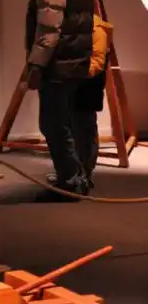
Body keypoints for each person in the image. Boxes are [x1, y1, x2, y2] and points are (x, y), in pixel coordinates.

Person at [24, 0, 95, 196]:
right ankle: (80, 175)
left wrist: (36, 65)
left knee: (54, 123)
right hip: (78, 61)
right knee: (75, 122)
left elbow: (49, 28)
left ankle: (70, 179)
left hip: (59, 64)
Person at [47, 14, 112, 191]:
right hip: (70, 83)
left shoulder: (97, 30)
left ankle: (84, 175)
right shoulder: (67, 25)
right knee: (68, 130)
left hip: (86, 86)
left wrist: (75, 71)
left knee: (84, 131)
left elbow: (97, 62)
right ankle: (71, 173)